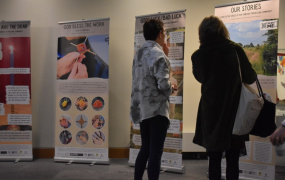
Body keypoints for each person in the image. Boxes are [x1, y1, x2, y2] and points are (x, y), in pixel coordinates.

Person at [191, 16, 256, 180]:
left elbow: (200, 78)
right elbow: (250, 77)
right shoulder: (234, 49)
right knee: (233, 159)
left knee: (213, 159)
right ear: (222, 30)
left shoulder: (198, 55)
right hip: (233, 110)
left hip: (210, 111)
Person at [130, 19, 174, 180]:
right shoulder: (159, 54)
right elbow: (163, 85)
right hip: (157, 110)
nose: (166, 35)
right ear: (160, 34)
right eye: (164, 32)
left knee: (146, 149)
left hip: (142, 108)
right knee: (156, 152)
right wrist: (172, 89)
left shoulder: (139, 52)